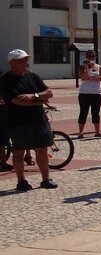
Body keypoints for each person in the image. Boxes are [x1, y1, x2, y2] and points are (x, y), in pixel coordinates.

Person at [1, 49, 58, 192]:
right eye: (21, 61)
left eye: (26, 60)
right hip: (18, 122)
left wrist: (33, 96)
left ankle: (46, 179)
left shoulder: (33, 76)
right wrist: (40, 100)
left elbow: (49, 93)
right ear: (12, 63)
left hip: (39, 119)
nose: (25, 63)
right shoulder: (6, 81)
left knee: (42, 149)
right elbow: (17, 102)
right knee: (19, 151)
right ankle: (21, 181)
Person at [77, 50, 101, 138]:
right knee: (83, 111)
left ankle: (97, 131)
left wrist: (91, 78)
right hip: (84, 92)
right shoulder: (82, 67)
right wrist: (86, 67)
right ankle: (81, 132)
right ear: (86, 57)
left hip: (96, 92)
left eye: (93, 56)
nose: (91, 58)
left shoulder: (100, 67)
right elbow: (84, 76)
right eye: (89, 56)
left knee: (96, 112)